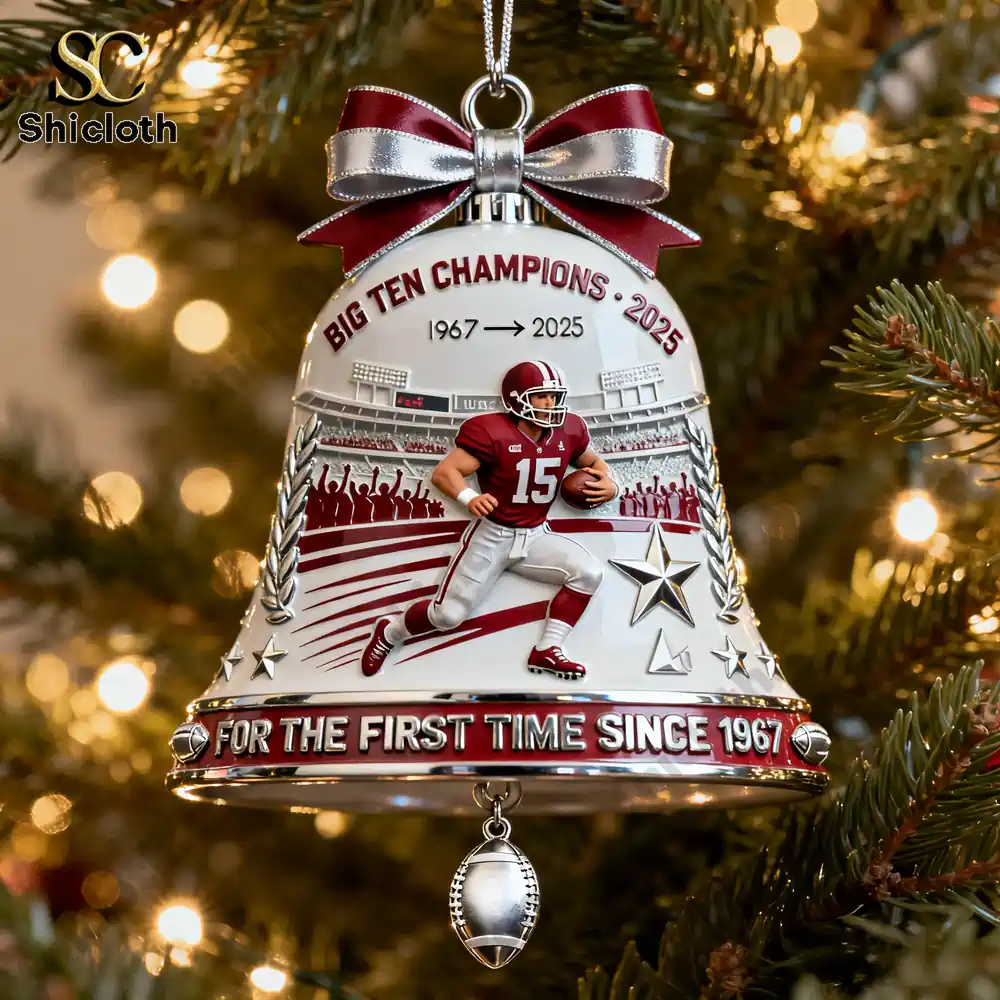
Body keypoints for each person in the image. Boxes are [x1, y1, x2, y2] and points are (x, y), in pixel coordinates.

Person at [360, 361, 617, 681]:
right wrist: (470, 498)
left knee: (588, 573)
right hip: (493, 536)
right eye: (541, 396)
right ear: (516, 399)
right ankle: (390, 633)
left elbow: (594, 462)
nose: (550, 403)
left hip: (535, 535)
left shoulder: (569, 430)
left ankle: (547, 649)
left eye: (553, 396)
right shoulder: (492, 431)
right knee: (447, 616)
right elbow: (445, 472)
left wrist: (610, 484)